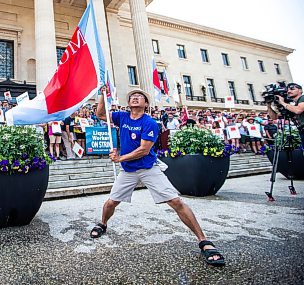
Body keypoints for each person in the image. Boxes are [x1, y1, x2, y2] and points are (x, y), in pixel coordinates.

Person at [90, 87, 225, 266]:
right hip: (128, 170)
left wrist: (119, 158)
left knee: (176, 202)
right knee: (111, 203)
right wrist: (102, 94)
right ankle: (103, 224)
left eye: (139, 96)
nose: (135, 97)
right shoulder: (122, 116)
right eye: (132, 96)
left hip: (148, 167)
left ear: (146, 104)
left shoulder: (150, 123)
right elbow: (100, 114)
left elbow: (144, 150)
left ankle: (204, 241)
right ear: (128, 103)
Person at [268, 82, 304, 157]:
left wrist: (282, 102)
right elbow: (274, 118)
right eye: (288, 90)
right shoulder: (292, 105)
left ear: (300, 90)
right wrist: (269, 105)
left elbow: (298, 110)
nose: (289, 91)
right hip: (303, 132)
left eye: (292, 88)